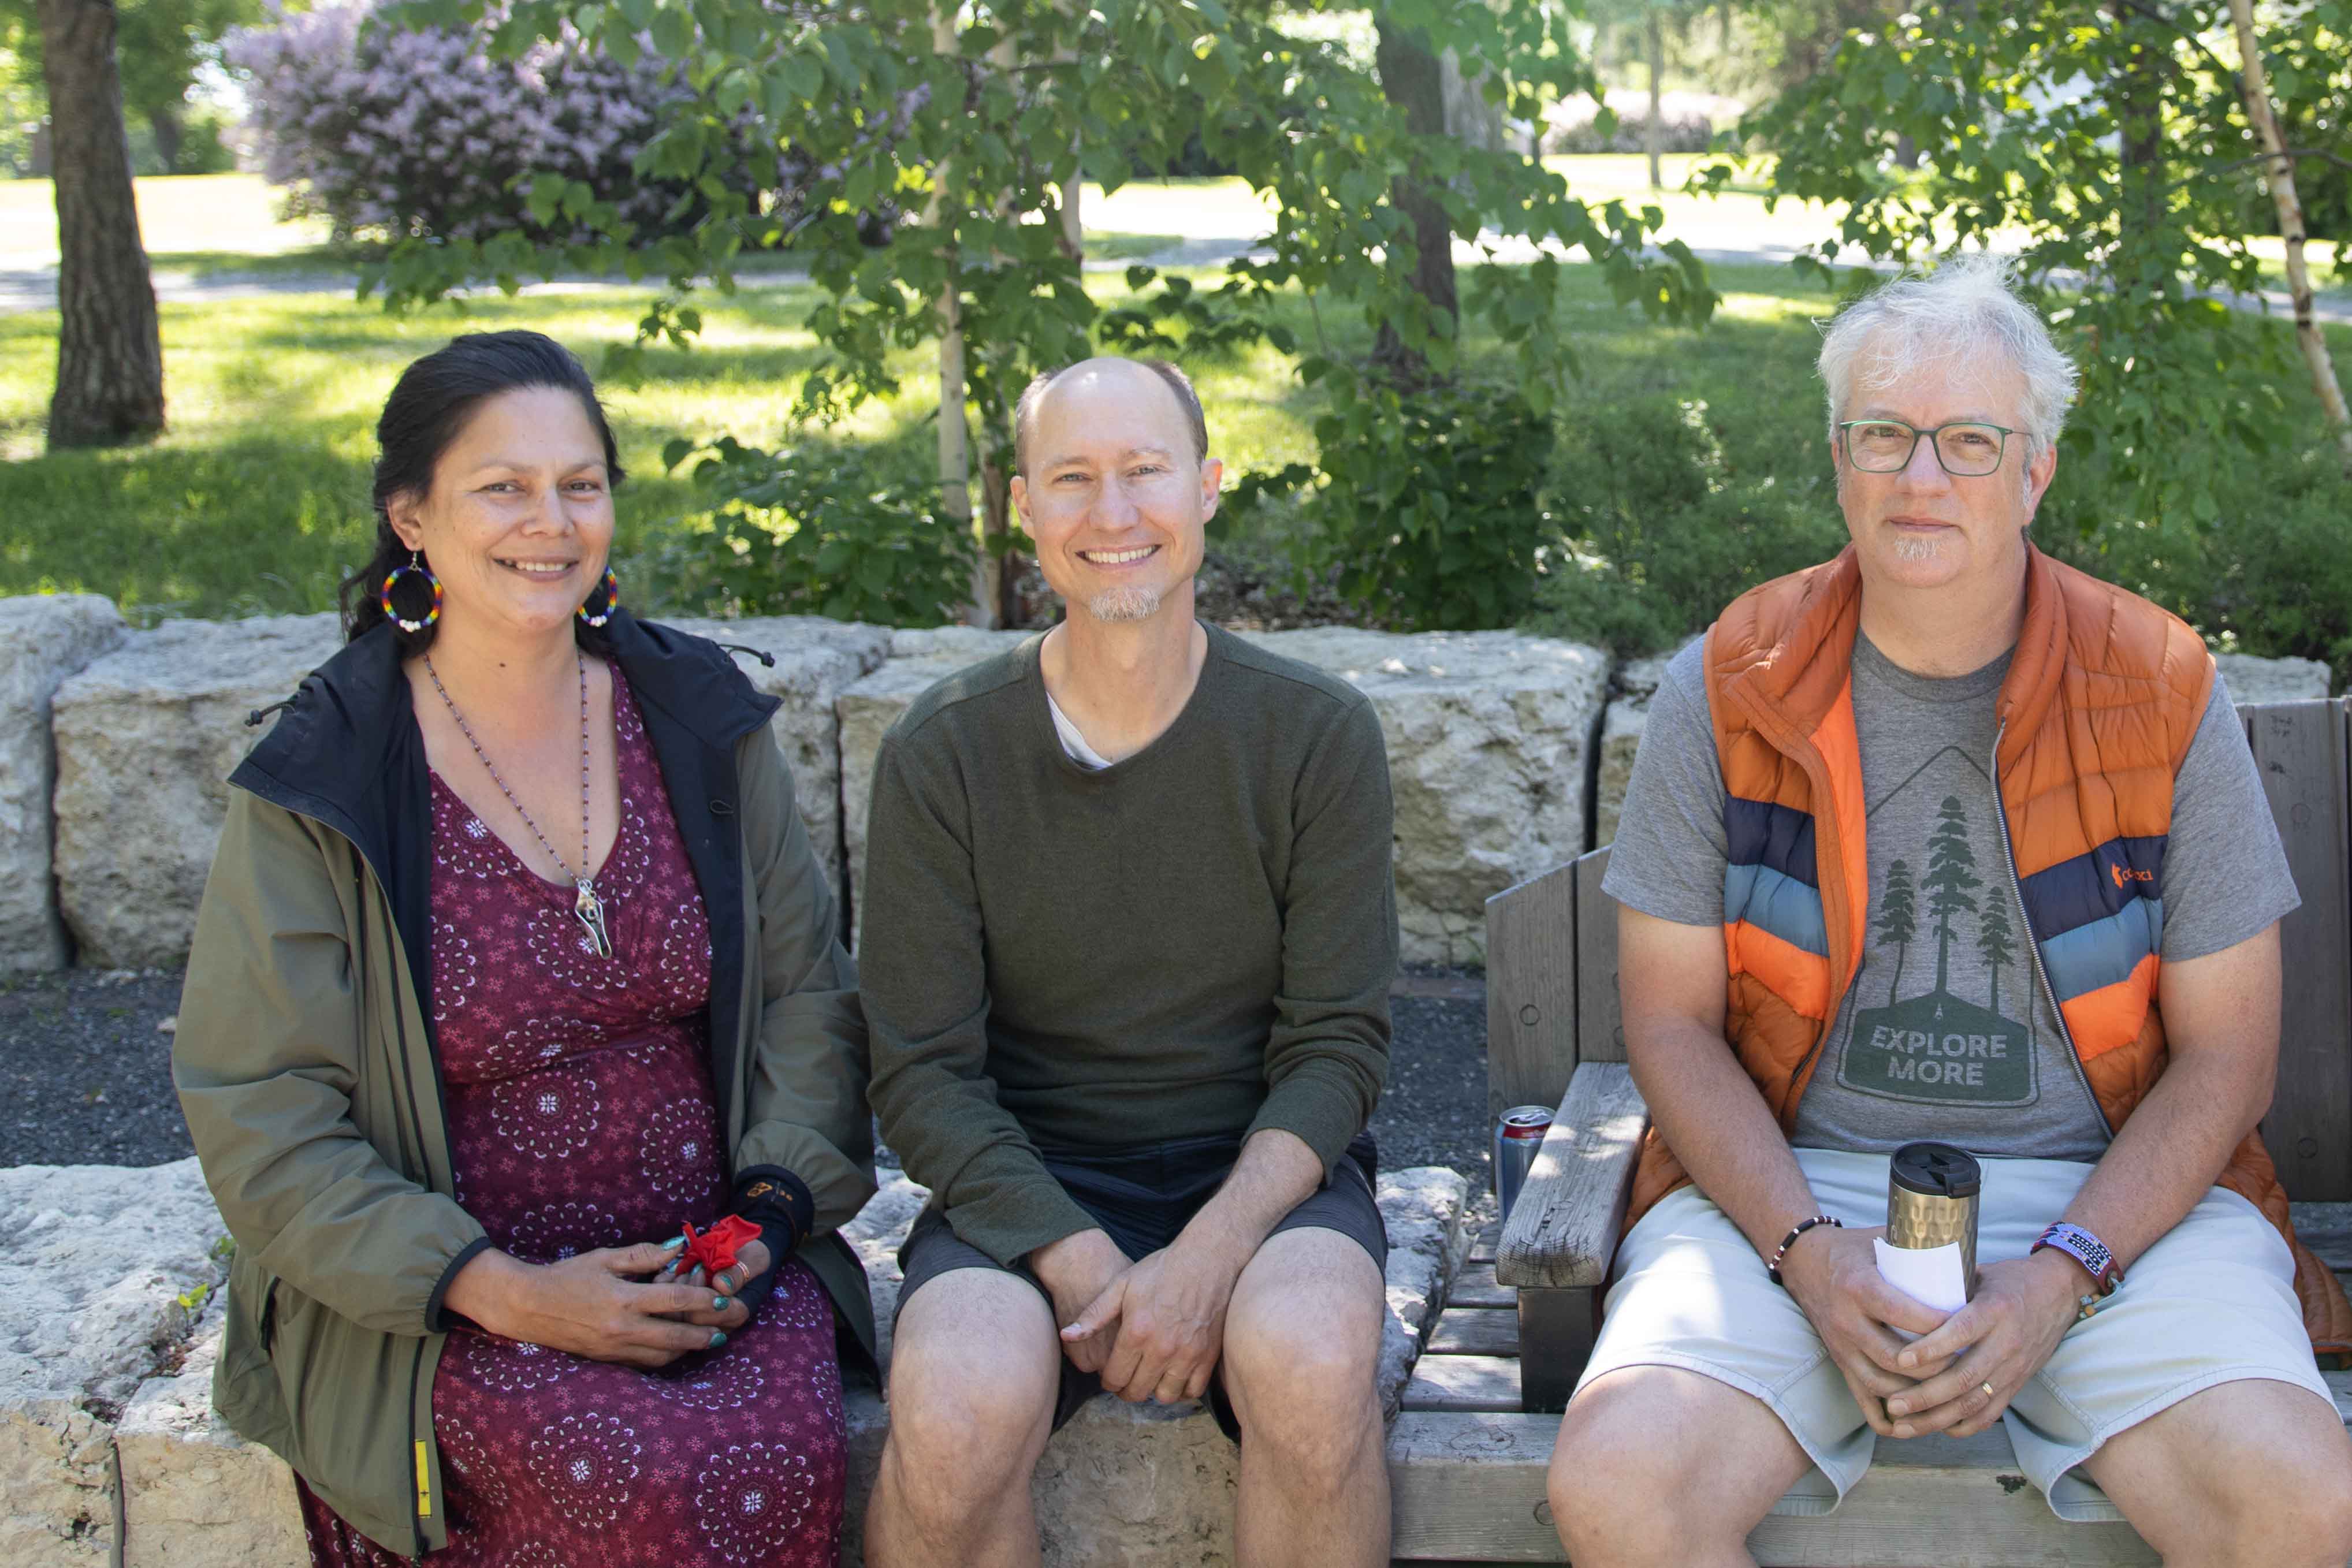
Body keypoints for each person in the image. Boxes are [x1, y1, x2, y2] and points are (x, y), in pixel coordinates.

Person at [1546, 255, 2352, 1568]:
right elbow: (1672, 1026)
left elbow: (2227, 1057)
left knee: (2298, 1502)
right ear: (1835, 459)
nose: (1920, 477)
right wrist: (1807, 1253)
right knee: (1622, 1482)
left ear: (2032, 471)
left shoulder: (2153, 684)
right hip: (1796, 1187)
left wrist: (2056, 1273)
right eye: (1883, 434)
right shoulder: (1729, 681)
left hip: (2107, 1206)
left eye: (1968, 440)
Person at [174, 330, 875, 1567]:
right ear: (410, 517)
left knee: (769, 1451)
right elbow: (261, 1107)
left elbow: (807, 994)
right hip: (442, 1296)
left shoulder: (698, 719)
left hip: (712, 1267)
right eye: (502, 486)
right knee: (644, 1478)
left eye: (581, 483)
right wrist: (500, 1285)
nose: (549, 521)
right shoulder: (325, 775)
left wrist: (766, 1215)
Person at [858, 357, 1398, 1568]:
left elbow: (1335, 1046)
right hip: (1026, 1184)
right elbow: (921, 1070)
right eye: (1072, 479)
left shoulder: (1312, 734)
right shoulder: (943, 752)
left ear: (1206, 488)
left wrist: (1206, 1256)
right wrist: (1079, 1257)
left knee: (1312, 1372)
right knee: (948, 1410)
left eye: (1145, 472)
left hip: (1264, 1178)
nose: (1113, 515)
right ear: (1021, 506)